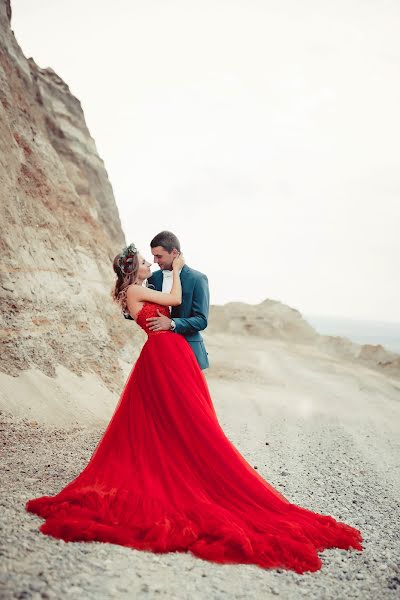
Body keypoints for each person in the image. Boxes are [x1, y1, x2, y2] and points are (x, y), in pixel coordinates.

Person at [25, 242, 363, 574]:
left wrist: (173, 299)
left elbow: (189, 314)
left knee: (181, 421)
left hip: (170, 354)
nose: (151, 264)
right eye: (146, 261)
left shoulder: (140, 288)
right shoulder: (138, 290)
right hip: (163, 354)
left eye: (154, 258)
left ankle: (185, 462)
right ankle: (182, 470)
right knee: (177, 420)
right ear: (133, 269)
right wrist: (179, 270)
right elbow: (174, 300)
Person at [123, 230, 209, 370]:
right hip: (160, 352)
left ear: (174, 252)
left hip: (189, 351)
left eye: (159, 256)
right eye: (153, 257)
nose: (155, 261)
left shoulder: (197, 279)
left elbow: (201, 320)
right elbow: (144, 307)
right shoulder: (153, 277)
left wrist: (172, 323)